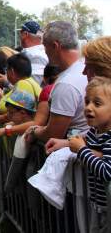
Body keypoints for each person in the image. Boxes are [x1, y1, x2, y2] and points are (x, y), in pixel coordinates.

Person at [28, 21, 89, 151]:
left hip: (74, 159)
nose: (44, 52)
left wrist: (34, 131)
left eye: (45, 46)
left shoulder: (66, 84)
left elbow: (53, 133)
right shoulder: (85, 68)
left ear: (55, 46)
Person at [69, 76, 111, 233]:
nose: (88, 107)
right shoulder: (94, 132)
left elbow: (107, 172)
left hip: (107, 207)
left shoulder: (109, 137)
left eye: (97, 103)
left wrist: (82, 150)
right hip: (97, 201)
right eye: (87, 102)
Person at [19, 21, 48, 85]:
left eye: (21, 32)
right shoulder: (37, 52)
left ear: (25, 34)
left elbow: (34, 85)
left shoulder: (36, 56)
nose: (19, 35)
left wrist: (7, 83)